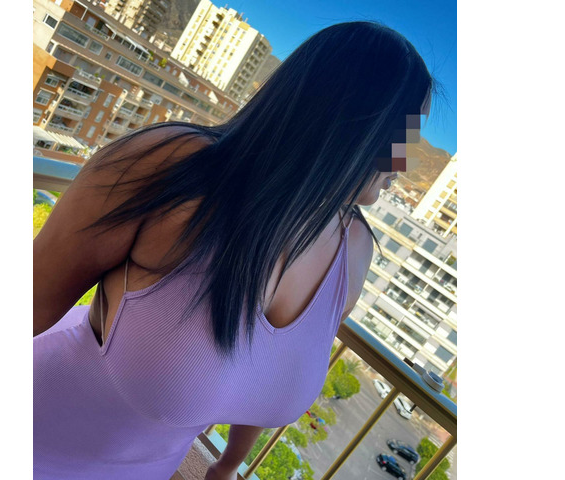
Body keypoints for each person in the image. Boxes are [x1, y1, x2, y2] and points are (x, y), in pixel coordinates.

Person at [34, 21, 435, 480]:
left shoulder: (354, 251)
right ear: (347, 120)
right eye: (403, 136)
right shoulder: (172, 166)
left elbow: (264, 375)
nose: (404, 162)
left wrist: (227, 466)